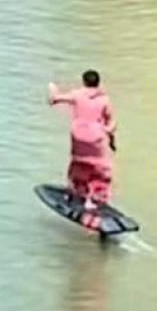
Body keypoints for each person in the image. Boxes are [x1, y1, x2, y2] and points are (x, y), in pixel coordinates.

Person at [48, 70, 117, 211]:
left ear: (84, 81)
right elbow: (112, 122)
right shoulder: (104, 100)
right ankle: (95, 199)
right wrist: (110, 137)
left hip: (78, 135)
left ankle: (77, 192)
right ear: (98, 83)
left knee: (79, 163)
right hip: (96, 137)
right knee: (99, 168)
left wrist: (52, 89)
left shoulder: (77, 94)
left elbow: (54, 99)